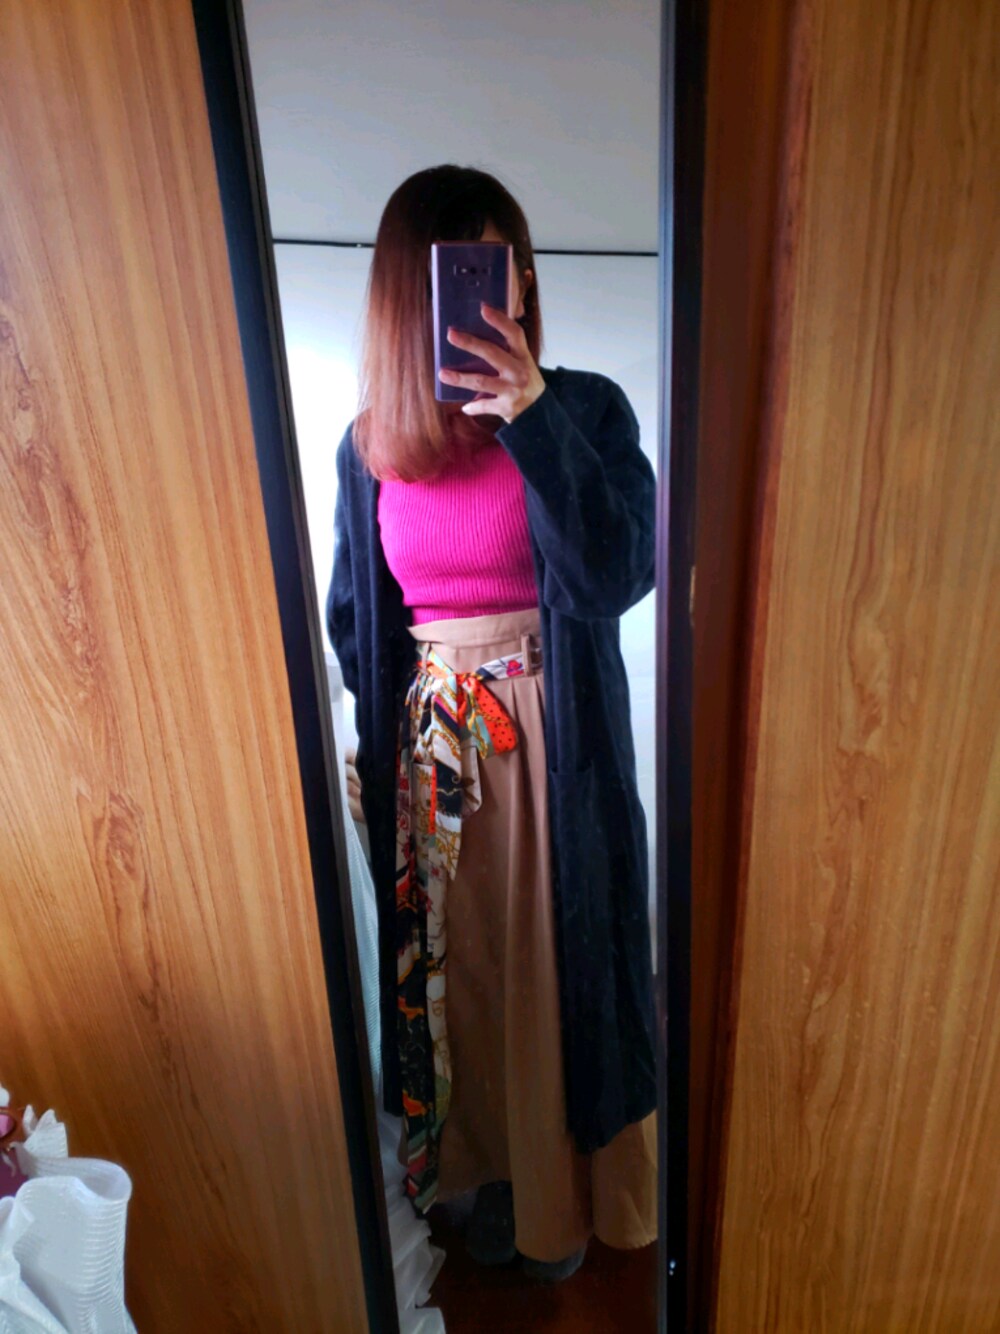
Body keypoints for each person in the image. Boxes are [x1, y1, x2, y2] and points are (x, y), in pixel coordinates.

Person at [328, 164, 657, 1283]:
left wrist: (533, 415)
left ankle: (562, 1194)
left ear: (522, 280)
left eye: (501, 263)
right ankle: (485, 1175)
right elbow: (353, 616)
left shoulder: (588, 409)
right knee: (454, 982)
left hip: (554, 739)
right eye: (459, 271)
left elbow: (613, 571)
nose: (492, 289)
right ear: (404, 297)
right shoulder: (368, 445)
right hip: (433, 749)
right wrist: (377, 753)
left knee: (557, 972)